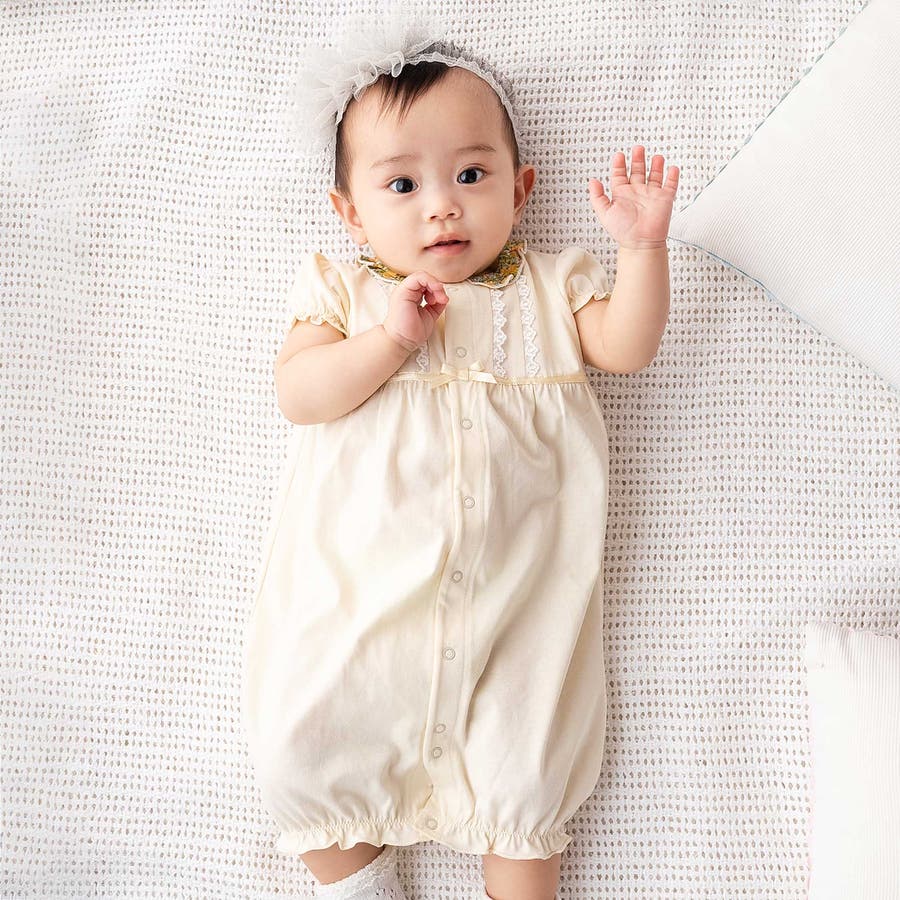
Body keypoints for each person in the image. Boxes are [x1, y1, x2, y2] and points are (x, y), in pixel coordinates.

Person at [241, 7, 678, 900]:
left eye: (471, 174)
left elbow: (627, 347)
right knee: (310, 742)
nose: (442, 203)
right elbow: (300, 394)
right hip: (364, 602)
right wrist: (388, 343)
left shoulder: (554, 287)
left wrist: (641, 249)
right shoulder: (346, 293)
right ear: (350, 213)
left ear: (520, 192)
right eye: (402, 185)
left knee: (527, 760)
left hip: (521, 605)